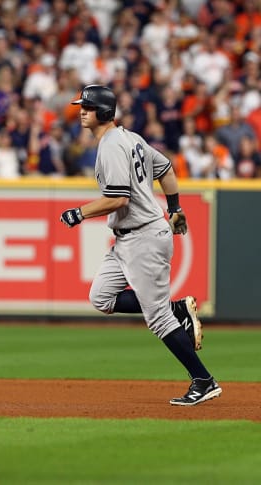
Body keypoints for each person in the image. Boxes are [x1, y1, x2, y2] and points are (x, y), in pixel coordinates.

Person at [60, 85, 222, 406]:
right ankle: (176, 308)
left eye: (88, 107)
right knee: (101, 297)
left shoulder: (111, 146)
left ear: (103, 113)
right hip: (127, 238)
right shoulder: (131, 138)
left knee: (158, 319)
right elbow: (165, 169)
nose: (82, 111)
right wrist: (174, 208)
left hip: (144, 236)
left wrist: (80, 212)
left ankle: (203, 380)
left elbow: (119, 198)